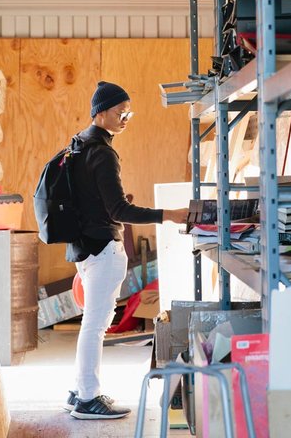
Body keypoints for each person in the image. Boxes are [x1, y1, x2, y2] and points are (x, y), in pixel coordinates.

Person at [62, 81, 187, 420]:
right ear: (100, 112)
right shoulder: (102, 152)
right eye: (120, 112)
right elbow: (118, 212)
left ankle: (78, 390)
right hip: (102, 249)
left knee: (93, 323)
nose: (125, 118)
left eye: (128, 112)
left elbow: (92, 202)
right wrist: (169, 215)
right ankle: (88, 398)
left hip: (83, 248)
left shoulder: (79, 144)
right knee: (96, 325)